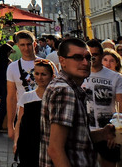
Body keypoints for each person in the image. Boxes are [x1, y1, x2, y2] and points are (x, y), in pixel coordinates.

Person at [39, 37, 115, 167]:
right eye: (77, 57)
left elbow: (74, 140)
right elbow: (55, 150)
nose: (85, 63)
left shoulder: (67, 87)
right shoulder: (64, 91)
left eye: (88, 58)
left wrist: (102, 134)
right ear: (62, 61)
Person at [82, 40, 122, 167]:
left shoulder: (115, 77)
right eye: (89, 55)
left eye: (95, 54)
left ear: (101, 55)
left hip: (108, 132)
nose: (92, 58)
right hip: (85, 131)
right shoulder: (79, 75)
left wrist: (117, 132)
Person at [14, 59, 55, 167]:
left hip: (48, 145)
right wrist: (16, 141)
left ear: (52, 76)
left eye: (43, 74)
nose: (40, 77)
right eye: (37, 74)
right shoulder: (27, 96)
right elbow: (19, 122)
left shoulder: (55, 98)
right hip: (27, 144)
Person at [7, 30, 38, 140]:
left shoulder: (46, 64)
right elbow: (11, 97)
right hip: (23, 116)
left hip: (44, 114)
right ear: (18, 46)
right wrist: (10, 126)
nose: (26, 48)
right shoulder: (13, 67)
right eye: (22, 45)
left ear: (34, 44)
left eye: (29, 44)